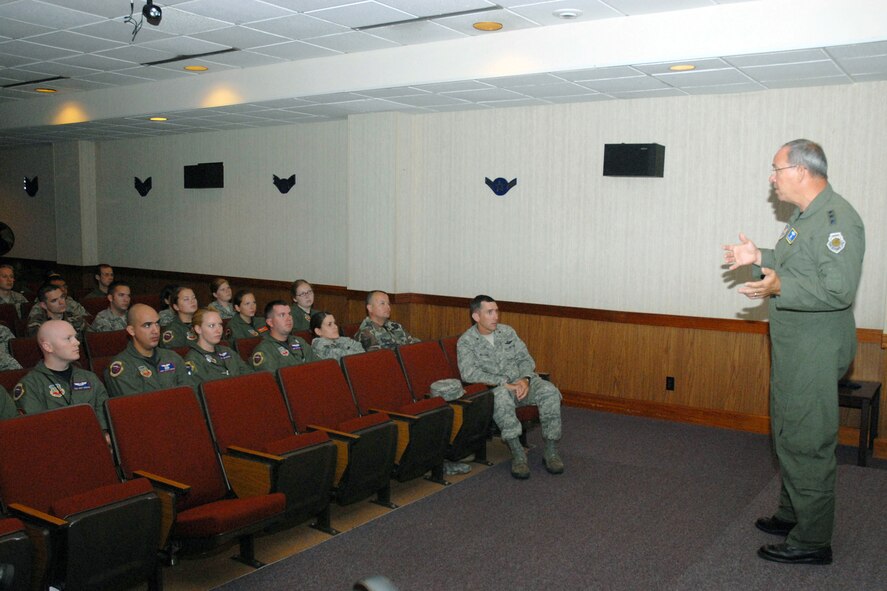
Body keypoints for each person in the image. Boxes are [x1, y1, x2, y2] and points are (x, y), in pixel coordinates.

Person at [723, 139, 864, 566]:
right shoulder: (804, 218)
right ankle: (792, 514)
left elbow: (838, 290)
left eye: (777, 169)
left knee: (807, 441)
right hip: (796, 347)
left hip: (814, 350)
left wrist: (780, 285)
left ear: (802, 171)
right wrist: (759, 256)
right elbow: (795, 266)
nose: (772, 178)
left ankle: (813, 540)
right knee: (788, 431)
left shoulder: (838, 220)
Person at [457, 295, 563, 479]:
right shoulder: (466, 341)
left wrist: (525, 380)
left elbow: (525, 358)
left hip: (523, 382)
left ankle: (551, 451)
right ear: (476, 316)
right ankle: (518, 454)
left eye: (496, 311)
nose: (496, 316)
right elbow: (469, 373)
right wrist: (504, 384)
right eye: (490, 312)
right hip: (499, 389)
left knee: (550, 391)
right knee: (500, 397)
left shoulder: (507, 332)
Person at [12, 320, 110, 435]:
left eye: (75, 337)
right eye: (68, 338)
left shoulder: (89, 378)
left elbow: (105, 419)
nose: (77, 342)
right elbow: (35, 430)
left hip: (95, 441)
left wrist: (104, 435)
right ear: (48, 347)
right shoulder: (30, 386)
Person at [105, 304, 195, 396]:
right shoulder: (123, 366)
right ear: (131, 330)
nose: (155, 331)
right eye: (147, 325)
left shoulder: (172, 357)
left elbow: (188, 395)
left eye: (157, 324)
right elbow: (133, 403)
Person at [184, 308, 252, 384]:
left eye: (220, 325)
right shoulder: (193, 360)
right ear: (198, 329)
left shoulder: (227, 351)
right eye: (212, 325)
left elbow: (250, 375)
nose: (218, 330)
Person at [251, 300, 317, 372]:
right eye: (282, 315)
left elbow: (318, 365)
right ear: (270, 322)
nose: (289, 318)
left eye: (289, 314)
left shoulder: (299, 341)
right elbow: (271, 378)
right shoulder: (265, 350)